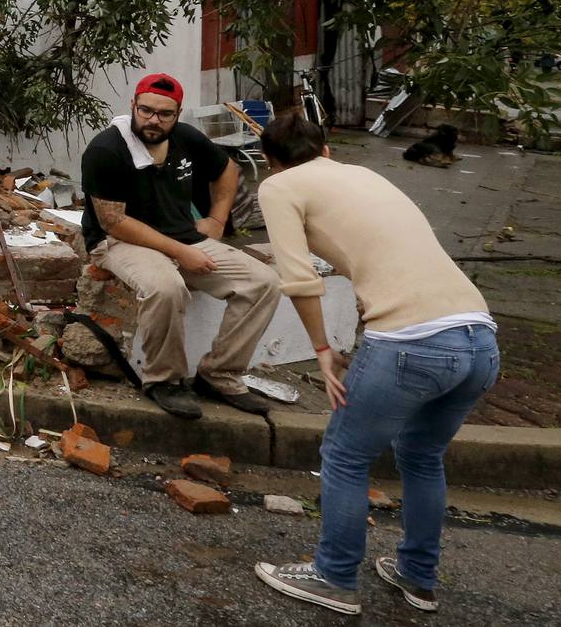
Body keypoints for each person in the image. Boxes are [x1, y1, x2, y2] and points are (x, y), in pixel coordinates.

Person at [252, 115, 500, 617]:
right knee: (423, 455)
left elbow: (298, 279)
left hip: (411, 341)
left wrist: (323, 349)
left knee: (344, 454)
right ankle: (418, 575)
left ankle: (335, 576)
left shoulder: (278, 186)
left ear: (270, 161)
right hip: (479, 337)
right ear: (325, 149)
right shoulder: (367, 174)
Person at [80, 73, 280, 419]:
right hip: (119, 241)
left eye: (164, 114)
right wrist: (180, 252)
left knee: (263, 283)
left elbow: (228, 169)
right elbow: (114, 221)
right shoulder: (105, 150)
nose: (153, 120)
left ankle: (219, 374)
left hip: (183, 236)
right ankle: (163, 380)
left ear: (178, 113)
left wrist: (216, 221)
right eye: (146, 111)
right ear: (133, 106)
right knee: (166, 287)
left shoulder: (186, 138)